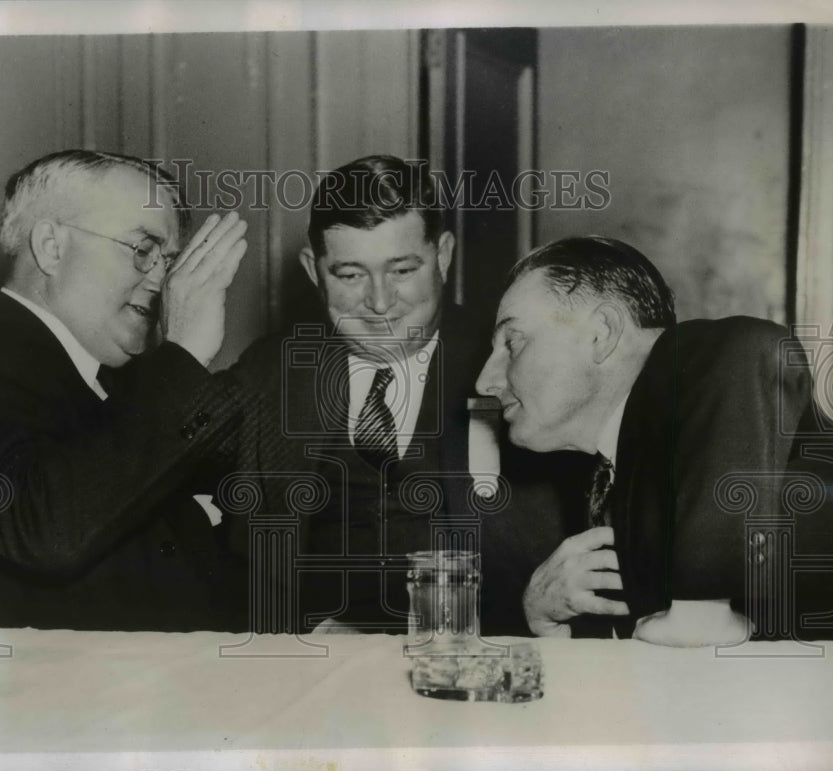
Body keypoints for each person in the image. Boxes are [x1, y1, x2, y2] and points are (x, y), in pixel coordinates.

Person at [213, 155, 585, 634]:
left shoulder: (517, 366)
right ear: (314, 269)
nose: (381, 302)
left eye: (403, 270)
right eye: (350, 275)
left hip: (479, 662)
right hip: (311, 670)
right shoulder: (273, 369)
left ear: (443, 256)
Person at [0, 149, 250, 631]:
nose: (163, 281)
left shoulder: (108, 376)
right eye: (143, 250)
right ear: (51, 246)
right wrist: (183, 353)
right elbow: (46, 533)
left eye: (168, 259)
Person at [475, 236, 833, 644]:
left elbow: (750, 344)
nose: (485, 381)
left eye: (513, 343)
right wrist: (543, 618)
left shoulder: (710, 367)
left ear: (602, 332)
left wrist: (701, 611)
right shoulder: (615, 473)